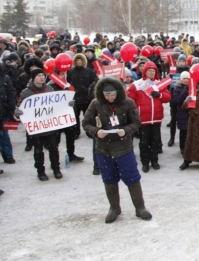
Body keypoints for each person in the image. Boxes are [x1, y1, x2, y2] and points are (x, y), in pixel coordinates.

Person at [81, 77, 152, 223]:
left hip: (123, 148)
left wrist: (125, 130)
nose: (110, 98)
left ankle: (140, 207)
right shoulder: (96, 104)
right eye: (107, 95)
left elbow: (137, 122)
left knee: (132, 178)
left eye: (112, 95)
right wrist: (96, 131)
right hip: (104, 149)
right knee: (109, 179)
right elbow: (86, 123)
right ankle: (114, 208)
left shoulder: (128, 103)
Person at [15, 68, 61, 181]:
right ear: (33, 77)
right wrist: (18, 112)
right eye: (39, 75)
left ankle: (56, 169)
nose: (41, 77)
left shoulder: (49, 89)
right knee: (38, 151)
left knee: (54, 149)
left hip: (50, 126)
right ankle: (41, 171)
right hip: (37, 128)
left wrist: (67, 106)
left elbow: (57, 104)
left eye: (43, 75)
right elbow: (20, 107)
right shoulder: (26, 93)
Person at [126, 61, 171, 172]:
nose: (151, 72)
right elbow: (130, 98)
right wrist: (135, 112)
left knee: (155, 141)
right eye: (149, 70)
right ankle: (145, 162)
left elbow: (167, 97)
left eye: (153, 70)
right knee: (144, 142)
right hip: (143, 119)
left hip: (156, 118)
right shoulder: (137, 84)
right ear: (145, 71)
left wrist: (159, 94)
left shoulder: (159, 84)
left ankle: (154, 160)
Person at [67, 53, 98, 143]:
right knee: (75, 117)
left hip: (86, 98)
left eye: (81, 60)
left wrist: (91, 95)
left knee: (88, 117)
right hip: (75, 98)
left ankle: (89, 132)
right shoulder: (70, 72)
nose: (79, 62)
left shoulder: (89, 71)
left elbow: (93, 84)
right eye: (77, 60)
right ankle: (76, 132)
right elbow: (67, 83)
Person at [170, 71, 191, 154]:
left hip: (191, 112)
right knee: (183, 131)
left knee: (190, 131)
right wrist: (184, 91)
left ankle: (189, 146)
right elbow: (176, 101)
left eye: (187, 78)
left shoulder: (192, 87)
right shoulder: (177, 88)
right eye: (184, 78)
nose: (186, 80)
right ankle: (182, 147)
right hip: (182, 113)